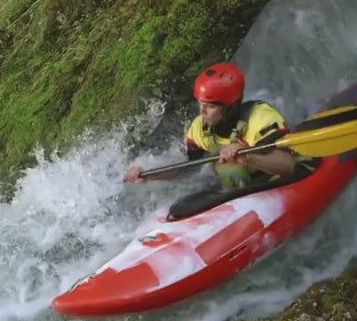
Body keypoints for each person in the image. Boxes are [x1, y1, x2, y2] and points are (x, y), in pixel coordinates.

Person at [124, 62, 316, 218]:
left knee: (231, 169)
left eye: (210, 107)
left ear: (229, 106)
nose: (202, 112)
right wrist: (148, 174)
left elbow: (288, 165)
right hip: (242, 186)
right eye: (200, 104)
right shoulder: (200, 128)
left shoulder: (261, 119)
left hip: (283, 177)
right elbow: (188, 168)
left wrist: (247, 157)